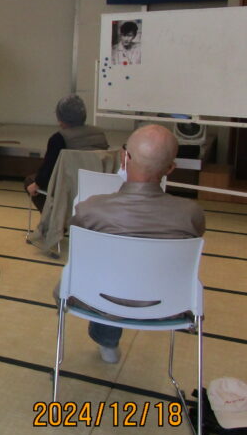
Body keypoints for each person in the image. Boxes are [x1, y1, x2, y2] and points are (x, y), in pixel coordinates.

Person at [68, 124, 205, 363]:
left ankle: (107, 341)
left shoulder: (90, 209)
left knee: (104, 268)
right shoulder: (190, 213)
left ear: (124, 158)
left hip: (97, 301)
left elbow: (79, 252)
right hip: (168, 307)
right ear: (171, 168)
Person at [25, 94, 109, 211]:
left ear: (61, 118)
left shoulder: (59, 138)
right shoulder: (99, 134)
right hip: (97, 186)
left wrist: (36, 184)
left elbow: (48, 170)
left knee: (30, 181)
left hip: (67, 189)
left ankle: (53, 217)